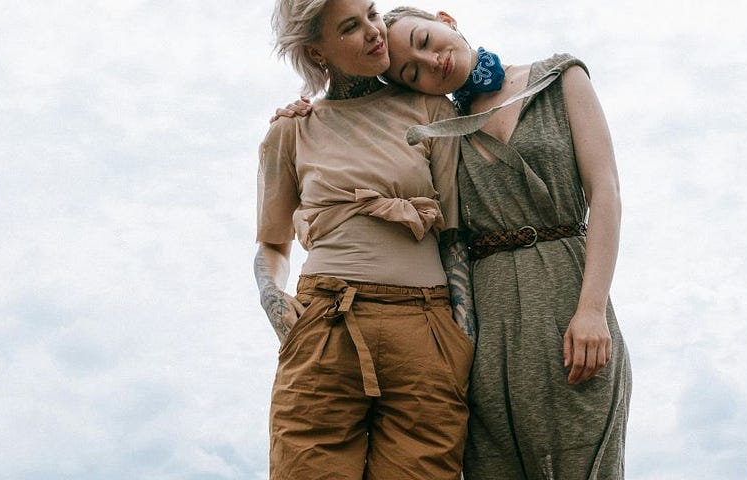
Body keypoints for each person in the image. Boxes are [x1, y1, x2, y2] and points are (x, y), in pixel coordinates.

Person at [274, 6, 631, 479]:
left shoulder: (561, 77)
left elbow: (605, 192)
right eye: (411, 72)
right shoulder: (434, 123)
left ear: (446, 19)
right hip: (484, 324)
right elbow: (367, 134)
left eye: (424, 41)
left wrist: (591, 308)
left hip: (568, 297)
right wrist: (308, 108)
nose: (431, 63)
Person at [254, 0, 476, 478]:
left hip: (426, 330)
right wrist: (271, 298)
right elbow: (273, 245)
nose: (375, 32)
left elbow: (454, 236)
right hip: (325, 324)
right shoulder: (290, 131)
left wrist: (462, 334)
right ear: (318, 54)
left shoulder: (431, 109)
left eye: (372, 13)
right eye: (352, 27)